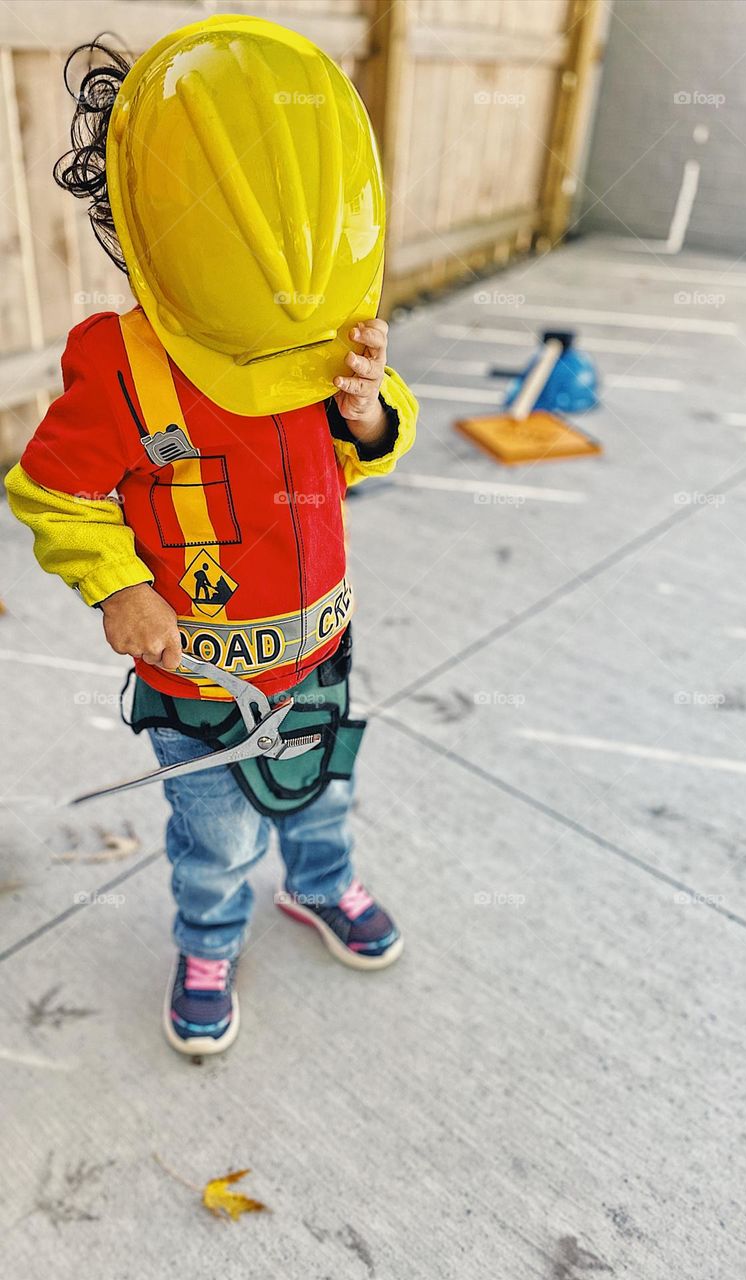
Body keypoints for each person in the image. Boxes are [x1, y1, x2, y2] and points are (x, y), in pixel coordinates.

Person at [4, 16, 417, 1057]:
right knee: (217, 835)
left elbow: (367, 446)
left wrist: (364, 409)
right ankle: (207, 940)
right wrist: (116, 586)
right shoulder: (123, 368)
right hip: (200, 680)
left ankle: (319, 886)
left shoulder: (325, 317)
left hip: (319, 652)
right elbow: (51, 490)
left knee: (324, 788)